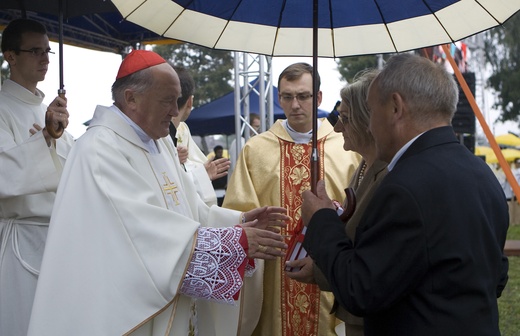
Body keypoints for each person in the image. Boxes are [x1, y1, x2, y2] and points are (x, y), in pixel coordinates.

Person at [27, 49, 290, 336]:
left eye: (176, 101)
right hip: (124, 309)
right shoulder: (99, 148)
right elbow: (138, 232)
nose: (175, 112)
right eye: (167, 101)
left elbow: (191, 210)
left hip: (171, 304)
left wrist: (239, 224)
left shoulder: (161, 142)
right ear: (131, 98)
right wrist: (231, 241)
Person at [301, 53, 509, 336]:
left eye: (372, 112)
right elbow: (496, 276)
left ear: (396, 107)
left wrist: (321, 220)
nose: (370, 127)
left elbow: (360, 289)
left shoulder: (403, 187)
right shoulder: (482, 174)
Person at [224, 62, 361, 336]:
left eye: (303, 96)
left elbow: (358, 211)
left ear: (318, 97)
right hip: (274, 274)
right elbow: (238, 214)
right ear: (278, 98)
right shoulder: (257, 149)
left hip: (330, 268)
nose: (295, 104)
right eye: (287, 96)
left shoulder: (346, 148)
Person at [287, 69, 387, 336]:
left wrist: (321, 219)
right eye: (286, 97)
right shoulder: (364, 166)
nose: (337, 127)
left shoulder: (391, 176)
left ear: (368, 121)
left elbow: (373, 261)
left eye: (344, 118)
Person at [0, 18, 75, 336]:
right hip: (19, 244)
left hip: (57, 242)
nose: (45, 59)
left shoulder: (51, 113)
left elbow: (73, 174)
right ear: (10, 56)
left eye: (48, 52)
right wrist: (43, 140)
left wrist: (55, 137)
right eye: (35, 51)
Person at [169, 66, 230, 207]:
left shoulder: (182, 128)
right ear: (190, 102)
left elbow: (194, 163)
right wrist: (171, 157)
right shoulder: (150, 132)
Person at [228, 113, 261, 179]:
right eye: (256, 126)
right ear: (248, 125)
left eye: (259, 127)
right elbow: (236, 166)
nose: (259, 130)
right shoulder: (238, 142)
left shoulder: (254, 141)